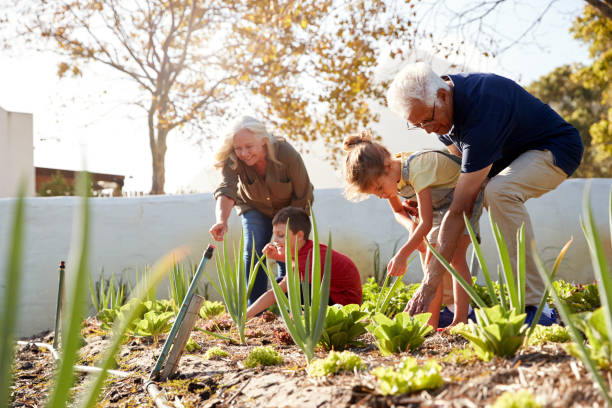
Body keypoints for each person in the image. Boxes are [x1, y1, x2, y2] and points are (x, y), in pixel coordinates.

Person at [386, 62, 583, 326]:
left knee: (500, 192)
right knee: (440, 228)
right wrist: (431, 202)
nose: (428, 129)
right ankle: (451, 307)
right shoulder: (442, 117)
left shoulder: (483, 107)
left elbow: (461, 208)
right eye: (418, 124)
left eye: (428, 120)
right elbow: (459, 177)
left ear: (443, 96)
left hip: (555, 148)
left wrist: (428, 283)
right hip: (506, 162)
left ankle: (535, 307)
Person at [343, 132, 481, 329]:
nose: (381, 195)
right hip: (437, 207)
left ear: (388, 166)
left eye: (380, 189)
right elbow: (399, 211)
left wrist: (402, 254)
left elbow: (425, 223)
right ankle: (430, 325)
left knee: (455, 259)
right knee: (429, 263)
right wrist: (411, 227)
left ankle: (460, 319)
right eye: (375, 193)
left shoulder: (416, 168)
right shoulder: (389, 175)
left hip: (463, 196)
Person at [209, 116, 314, 304]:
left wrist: (290, 233)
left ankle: (292, 308)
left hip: (290, 208)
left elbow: (303, 193)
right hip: (253, 206)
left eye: (249, 147)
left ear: (263, 141)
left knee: (287, 252)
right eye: (238, 148)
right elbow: (226, 189)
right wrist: (222, 220)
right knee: (254, 248)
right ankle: (256, 309)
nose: (243, 153)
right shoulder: (233, 159)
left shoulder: (285, 153)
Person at [246, 206, 362, 319]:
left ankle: (298, 321)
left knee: (291, 288)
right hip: (337, 297)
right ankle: (297, 318)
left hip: (343, 307)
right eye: (274, 234)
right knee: (286, 284)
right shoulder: (308, 248)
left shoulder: (307, 260)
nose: (275, 240)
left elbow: (274, 294)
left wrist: (245, 315)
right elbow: (295, 260)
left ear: (300, 235)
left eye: (280, 235)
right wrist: (275, 255)